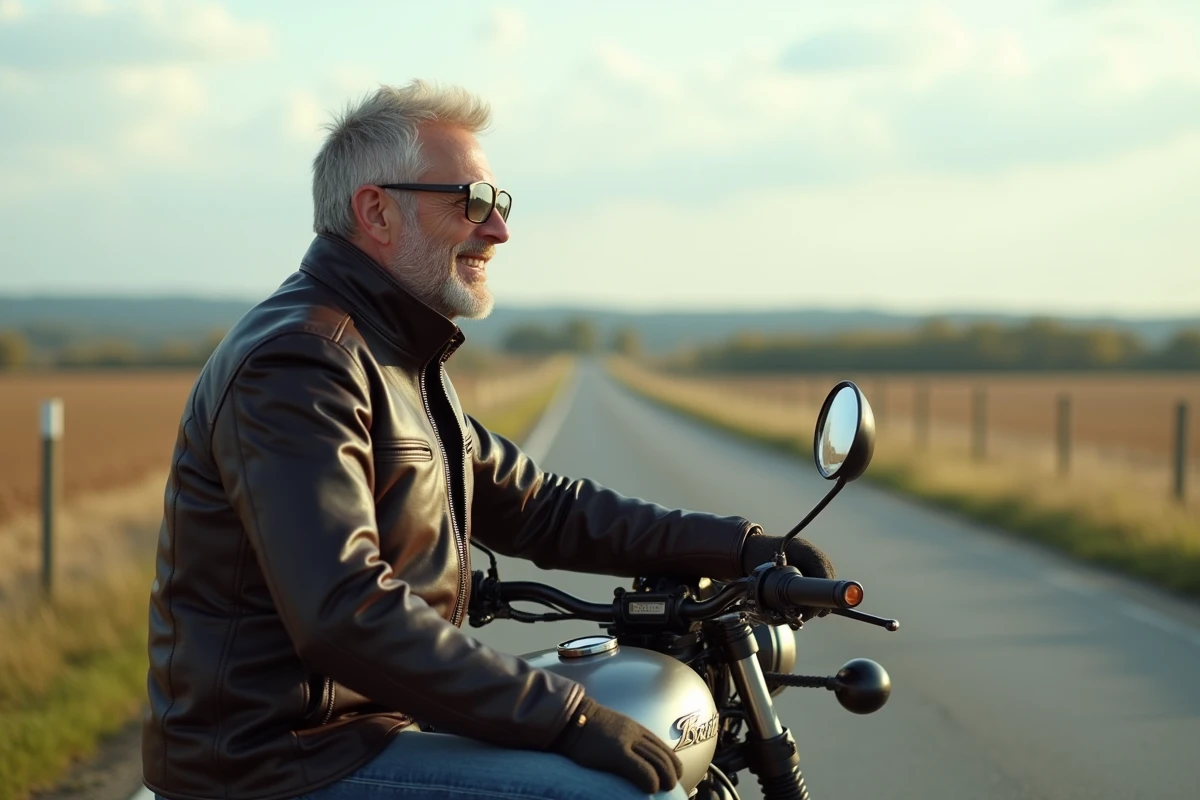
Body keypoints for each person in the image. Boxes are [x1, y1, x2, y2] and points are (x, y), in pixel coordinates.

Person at [142, 80, 835, 800]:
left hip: (360, 736)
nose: (498, 230)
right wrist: (568, 716)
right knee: (625, 793)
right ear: (376, 211)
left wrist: (739, 547)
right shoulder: (302, 362)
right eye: (472, 202)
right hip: (277, 764)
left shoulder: (395, 358)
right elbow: (344, 612)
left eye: (500, 204)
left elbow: (541, 507)